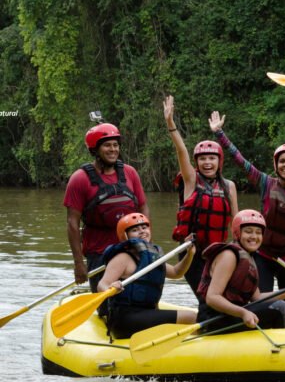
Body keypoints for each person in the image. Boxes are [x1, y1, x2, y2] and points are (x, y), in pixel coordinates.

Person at [211, 121, 285, 327]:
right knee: (261, 305)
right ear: (276, 165)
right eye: (282, 161)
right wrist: (220, 133)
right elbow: (240, 160)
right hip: (264, 257)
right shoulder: (265, 183)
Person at [64, 122, 149, 313]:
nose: (113, 149)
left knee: (138, 301)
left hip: (132, 249)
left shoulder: (130, 173)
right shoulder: (80, 179)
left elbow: (143, 206)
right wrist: (78, 263)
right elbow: (72, 223)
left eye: (116, 145)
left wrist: (146, 239)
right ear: (95, 149)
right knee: (106, 308)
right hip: (99, 252)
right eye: (107, 145)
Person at [164, 96, 238, 297]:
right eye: (203, 159)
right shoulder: (191, 180)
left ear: (219, 161)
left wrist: (240, 252)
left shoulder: (229, 186)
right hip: (192, 251)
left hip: (217, 252)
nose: (207, 162)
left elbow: (236, 224)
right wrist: (171, 124)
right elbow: (181, 151)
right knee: (205, 295)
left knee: (222, 294)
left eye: (212, 158)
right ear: (197, 162)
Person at [196, 209, 285, 333]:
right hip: (214, 321)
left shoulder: (249, 258)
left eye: (258, 232)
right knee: (280, 307)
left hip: (232, 316)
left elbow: (258, 298)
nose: (254, 237)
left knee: (280, 304)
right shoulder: (229, 256)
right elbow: (212, 298)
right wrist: (243, 312)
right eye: (248, 232)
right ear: (237, 233)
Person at [97, 213, 197, 339]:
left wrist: (190, 254)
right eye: (135, 230)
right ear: (125, 235)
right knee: (192, 317)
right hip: (126, 319)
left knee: (190, 318)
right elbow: (102, 284)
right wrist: (111, 288)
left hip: (147, 313)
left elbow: (177, 273)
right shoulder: (123, 257)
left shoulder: (152, 258)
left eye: (144, 228)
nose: (142, 231)